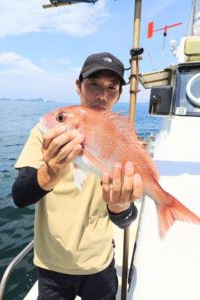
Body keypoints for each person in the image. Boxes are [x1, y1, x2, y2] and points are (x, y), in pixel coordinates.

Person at [12, 52, 143, 300]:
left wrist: (119, 206)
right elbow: (20, 196)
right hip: (51, 265)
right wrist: (50, 173)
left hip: (99, 264)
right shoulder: (45, 134)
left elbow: (125, 221)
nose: (102, 95)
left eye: (111, 88)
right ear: (78, 86)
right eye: (93, 84)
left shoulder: (122, 141)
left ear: (118, 95)